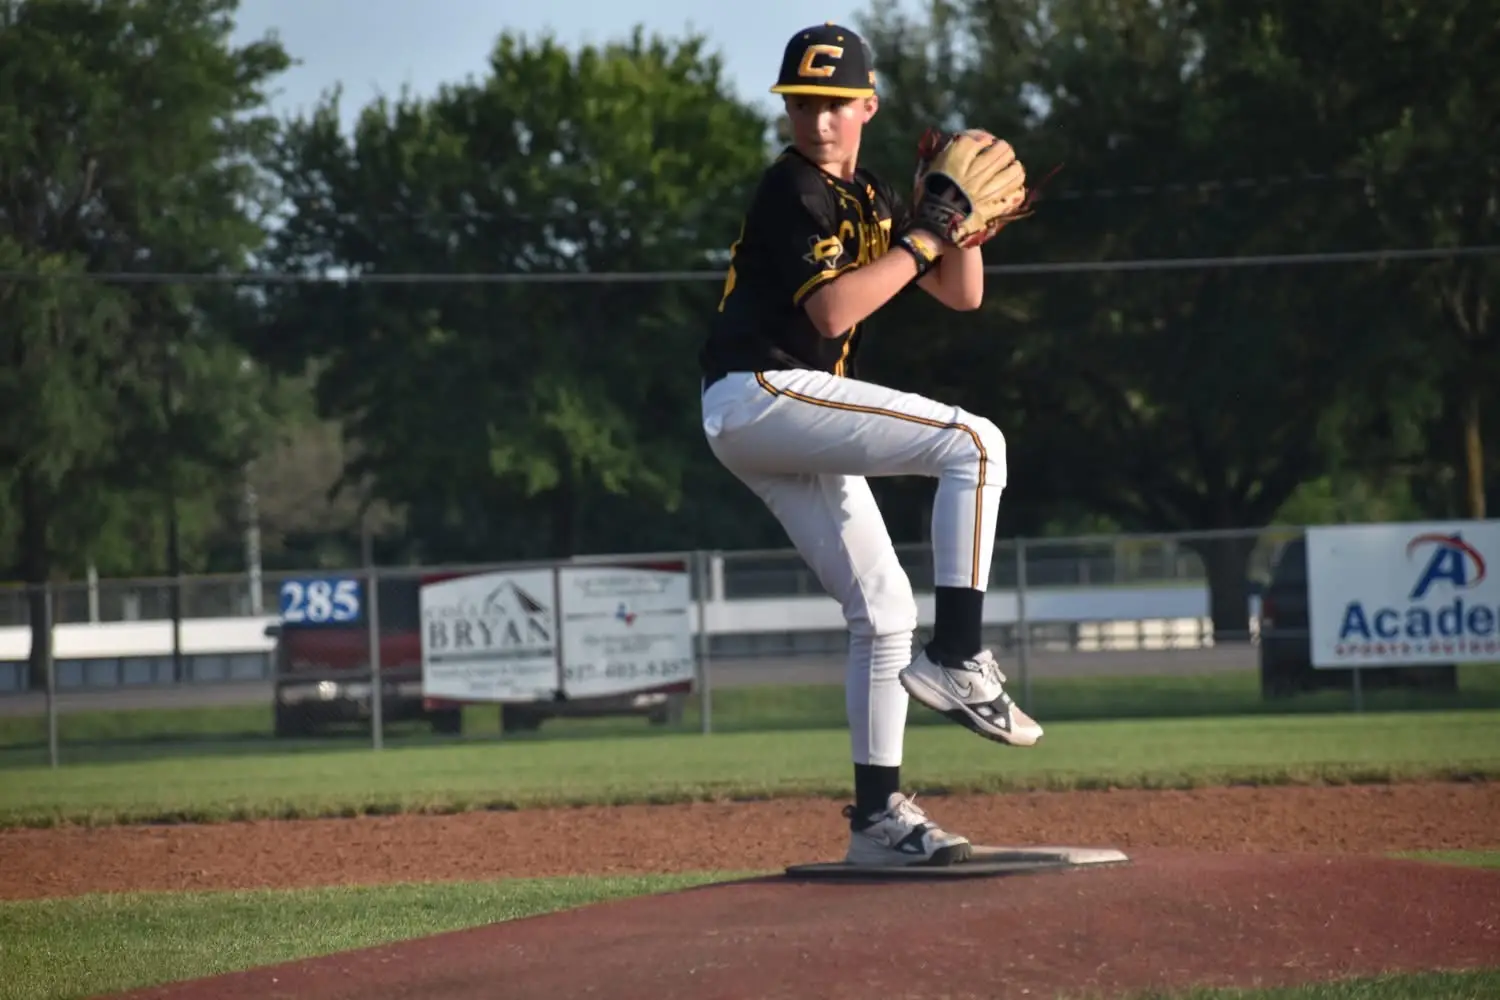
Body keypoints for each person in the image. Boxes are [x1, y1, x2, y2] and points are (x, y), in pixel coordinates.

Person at [697, 21, 1045, 867]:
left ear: (868, 107)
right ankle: (960, 655)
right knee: (975, 442)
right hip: (760, 391)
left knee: (885, 612)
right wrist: (926, 235)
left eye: (835, 104)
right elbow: (832, 313)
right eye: (802, 103)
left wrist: (960, 228)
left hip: (779, 416)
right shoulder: (792, 189)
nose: (818, 120)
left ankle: (879, 821)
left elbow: (960, 296)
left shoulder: (874, 197)